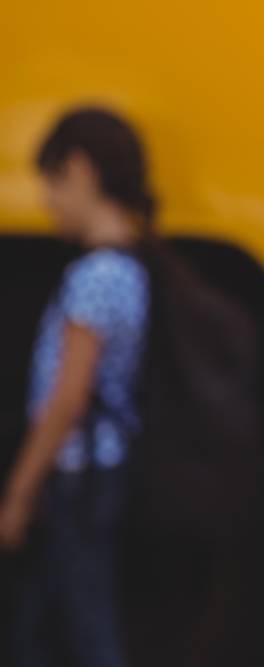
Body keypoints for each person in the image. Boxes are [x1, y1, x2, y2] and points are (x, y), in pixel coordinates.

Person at [1, 108, 155, 667]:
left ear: (83, 171)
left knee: (85, 627)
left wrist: (20, 491)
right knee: (44, 623)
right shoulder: (132, 267)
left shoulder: (96, 275)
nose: (47, 201)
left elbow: (66, 398)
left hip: (78, 475)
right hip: (95, 471)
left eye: (54, 182)